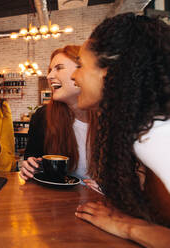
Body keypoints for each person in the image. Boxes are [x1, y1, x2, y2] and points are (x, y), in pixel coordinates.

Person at [72, 13, 170, 247]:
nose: (74, 76)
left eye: (81, 65)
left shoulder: (155, 136)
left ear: (110, 71)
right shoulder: (149, 124)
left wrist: (131, 228)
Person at [20, 45, 97, 182]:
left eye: (59, 68)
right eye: (50, 70)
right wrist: (31, 167)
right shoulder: (42, 117)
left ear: (83, 70)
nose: (49, 76)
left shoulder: (112, 116)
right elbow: (32, 160)